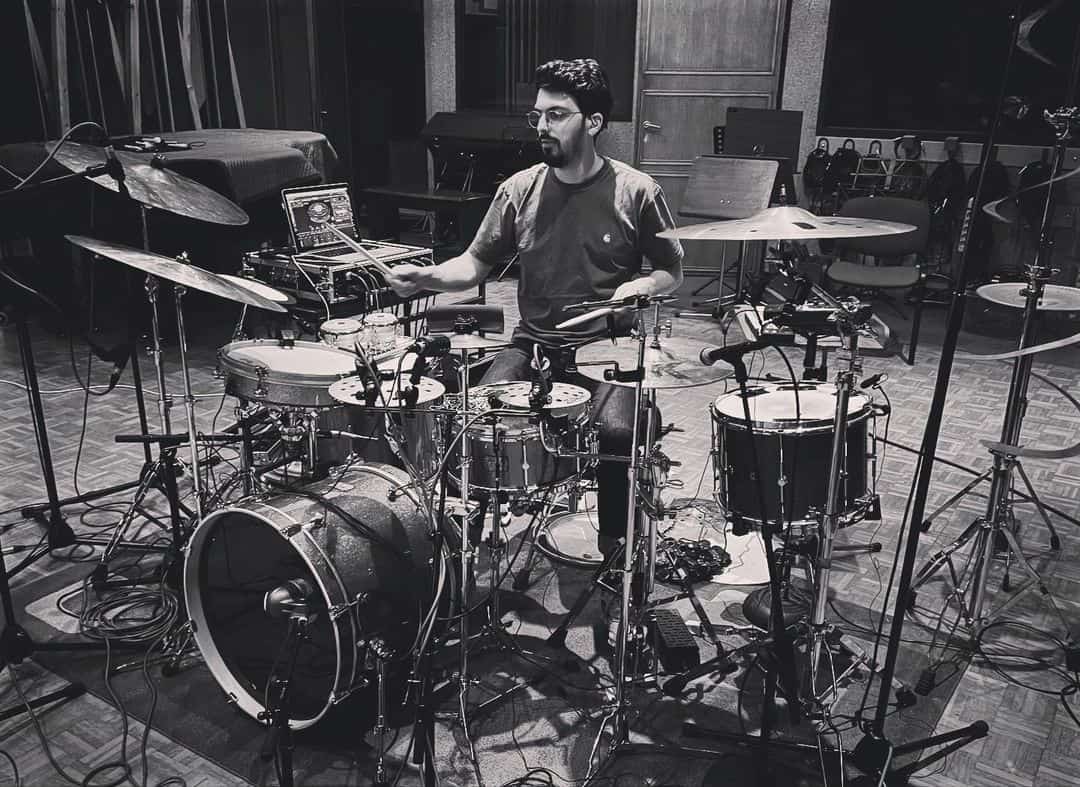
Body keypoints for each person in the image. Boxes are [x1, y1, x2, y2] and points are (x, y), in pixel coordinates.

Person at [386, 57, 683, 561]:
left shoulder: (637, 191)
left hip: (607, 348)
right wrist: (428, 277)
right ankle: (467, 543)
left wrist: (642, 284)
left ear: (593, 123)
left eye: (557, 114)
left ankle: (614, 547)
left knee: (616, 434)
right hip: (535, 342)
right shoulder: (518, 190)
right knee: (471, 417)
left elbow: (672, 271)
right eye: (539, 115)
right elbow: (474, 264)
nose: (542, 127)